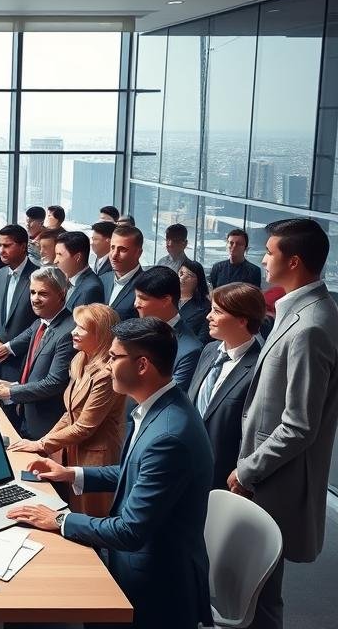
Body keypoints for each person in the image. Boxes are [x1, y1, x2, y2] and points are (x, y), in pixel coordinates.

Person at [9, 317, 213, 629]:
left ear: (142, 365)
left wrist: (60, 520)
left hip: (156, 589)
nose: (106, 365)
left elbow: (129, 532)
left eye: (113, 358)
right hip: (141, 563)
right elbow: (133, 471)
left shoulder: (169, 435)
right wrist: (72, 474)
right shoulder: (156, 408)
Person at [229, 218, 338, 629]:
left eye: (269, 252)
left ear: (293, 260)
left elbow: (299, 424)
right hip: (268, 476)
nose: (263, 258)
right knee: (252, 590)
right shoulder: (299, 310)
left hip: (275, 481)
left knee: (261, 596)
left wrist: (247, 469)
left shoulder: (312, 325)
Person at [9, 303, 124, 516]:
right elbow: (69, 413)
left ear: (99, 334)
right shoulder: (80, 360)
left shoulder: (106, 375)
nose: (73, 332)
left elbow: (84, 426)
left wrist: (41, 443)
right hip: (71, 450)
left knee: (89, 519)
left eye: (81, 328)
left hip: (95, 459)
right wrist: (41, 444)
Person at [188, 282, 264, 491]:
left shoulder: (260, 367)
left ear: (242, 319)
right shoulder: (210, 350)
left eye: (217, 311)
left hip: (222, 477)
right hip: (186, 465)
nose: (208, 316)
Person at [0, 267, 75, 440]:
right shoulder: (39, 323)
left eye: (43, 294)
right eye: (32, 292)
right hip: (27, 415)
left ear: (62, 294)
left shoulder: (67, 332)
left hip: (45, 425)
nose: (35, 299)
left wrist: (12, 392)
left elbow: (54, 383)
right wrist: (14, 385)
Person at [132, 266, 203, 390]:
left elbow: (168, 395)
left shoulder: (189, 350)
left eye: (143, 298)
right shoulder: (134, 331)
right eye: (136, 297)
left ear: (166, 300)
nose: (136, 304)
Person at [0, 224, 38, 389]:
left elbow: (41, 323)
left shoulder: (38, 277)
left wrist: (9, 348)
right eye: (0, 245)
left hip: (25, 359)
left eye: (7, 246)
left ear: (23, 246)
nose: (1, 250)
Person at [100, 224, 143, 321]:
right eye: (112, 248)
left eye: (122, 249)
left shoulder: (146, 287)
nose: (114, 255)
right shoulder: (102, 279)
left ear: (138, 253)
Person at [55, 231, 103, 310]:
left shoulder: (90, 290)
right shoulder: (67, 280)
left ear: (77, 257)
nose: (55, 260)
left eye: (59, 255)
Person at [178, 257, 212, 344]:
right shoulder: (166, 299)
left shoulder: (205, 307)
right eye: (181, 273)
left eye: (189, 275)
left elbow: (203, 339)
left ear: (198, 281)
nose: (182, 278)